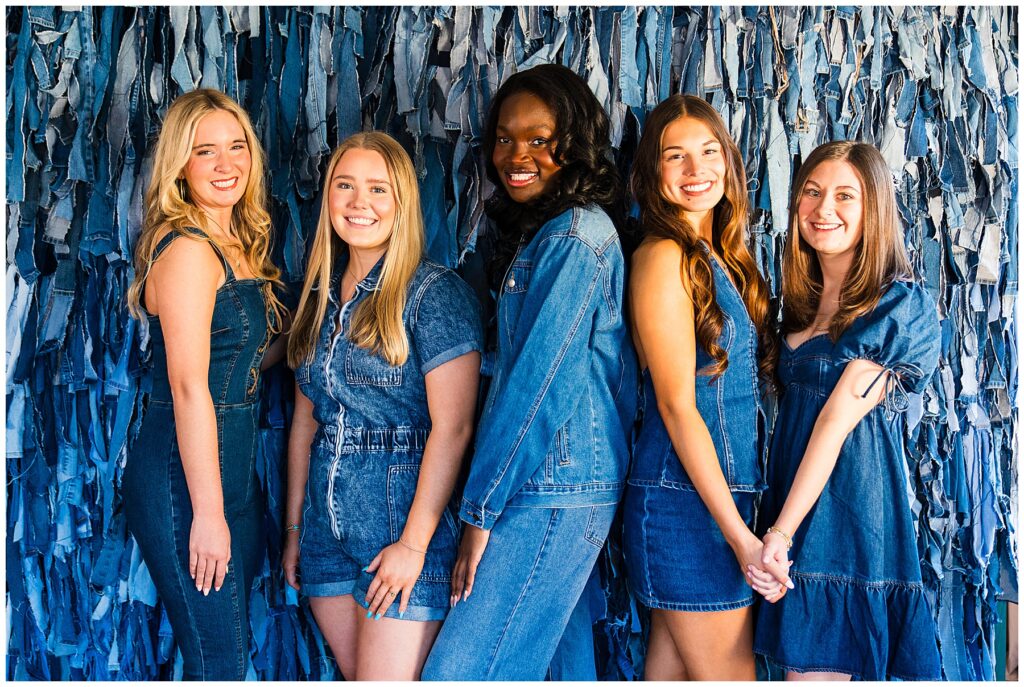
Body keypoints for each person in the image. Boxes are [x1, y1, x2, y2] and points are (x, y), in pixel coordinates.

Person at [421, 63, 638, 680]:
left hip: (550, 487)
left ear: (574, 143)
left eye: (539, 139)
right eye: (505, 138)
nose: (517, 155)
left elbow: (539, 389)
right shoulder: (548, 236)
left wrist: (479, 512)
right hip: (555, 483)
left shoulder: (575, 238)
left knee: (464, 672)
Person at [281, 132, 482, 680]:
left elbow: (454, 427)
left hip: (399, 526)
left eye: (377, 189)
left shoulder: (433, 293)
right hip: (324, 532)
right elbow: (305, 422)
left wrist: (414, 545)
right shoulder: (318, 297)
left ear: (402, 204)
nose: (358, 203)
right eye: (344, 186)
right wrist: (296, 529)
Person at [751, 141, 942, 680]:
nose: (822, 208)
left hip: (845, 519)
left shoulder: (897, 306)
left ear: (873, 208)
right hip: (791, 507)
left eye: (844, 195)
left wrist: (781, 534)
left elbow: (835, 423)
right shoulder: (797, 309)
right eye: (811, 192)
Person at [620, 94, 787, 680]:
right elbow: (676, 407)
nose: (697, 171)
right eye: (676, 156)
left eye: (709, 152)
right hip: (688, 507)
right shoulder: (662, 255)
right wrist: (739, 538)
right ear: (651, 173)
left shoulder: (718, 257)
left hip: (714, 498)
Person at [123, 88, 286, 680]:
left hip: (232, 468)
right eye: (204, 152)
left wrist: (303, 344)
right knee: (219, 660)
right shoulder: (189, 251)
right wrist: (208, 514)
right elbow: (191, 387)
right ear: (179, 166)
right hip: (183, 479)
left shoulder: (236, 242)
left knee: (226, 652)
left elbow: (238, 362)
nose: (226, 165)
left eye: (236, 147)